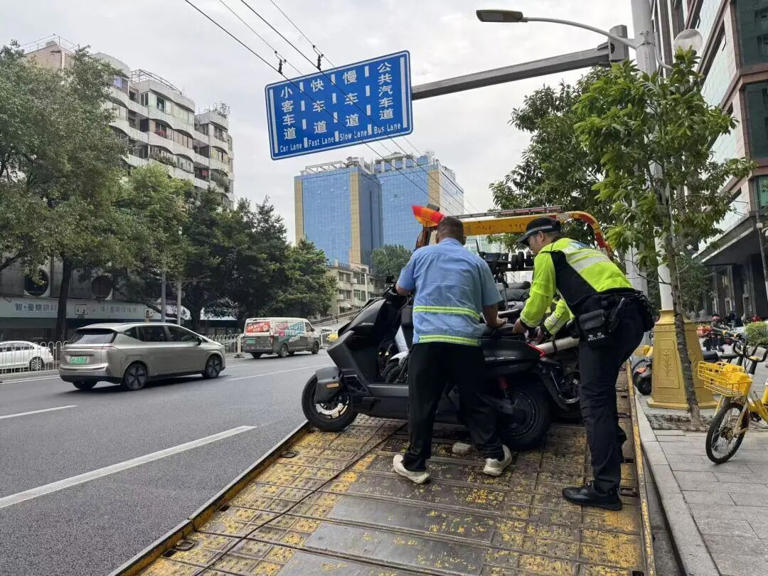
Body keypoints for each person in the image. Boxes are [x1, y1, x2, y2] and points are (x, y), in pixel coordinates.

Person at [512, 217, 651, 510]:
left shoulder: (549, 254)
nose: (530, 249)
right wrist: (547, 328)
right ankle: (612, 445)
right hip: (630, 319)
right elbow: (567, 303)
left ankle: (605, 489)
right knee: (601, 391)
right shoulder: (580, 250)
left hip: (607, 323)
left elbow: (538, 298)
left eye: (530, 243)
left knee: (593, 401)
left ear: (540, 237)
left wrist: (522, 324)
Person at [392, 216, 512, 484]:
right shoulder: (476, 262)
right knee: (475, 400)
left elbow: (401, 288)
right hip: (465, 344)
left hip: (427, 343)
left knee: (422, 404)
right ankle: (493, 457)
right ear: (463, 239)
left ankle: (415, 465)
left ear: (438, 236)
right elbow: (490, 306)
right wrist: (495, 323)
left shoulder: (422, 255)